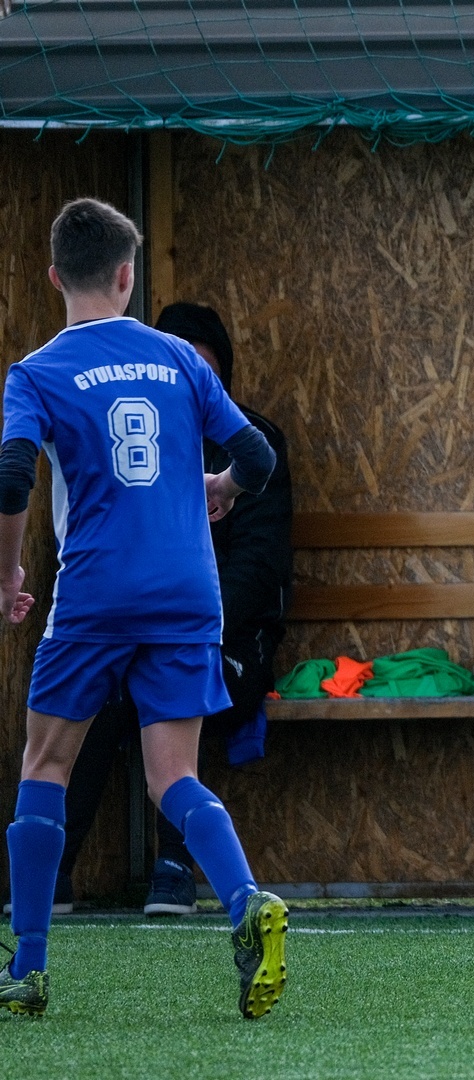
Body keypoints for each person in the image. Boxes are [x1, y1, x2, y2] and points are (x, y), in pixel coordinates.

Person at [0, 198, 289, 1019]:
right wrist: (223, 487)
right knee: (175, 778)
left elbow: (13, 474)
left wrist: (8, 570)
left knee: (45, 765)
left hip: (97, 592)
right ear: (127, 276)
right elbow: (257, 456)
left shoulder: (38, 371)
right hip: (188, 593)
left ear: (55, 276)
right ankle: (246, 903)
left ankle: (28, 966)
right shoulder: (179, 360)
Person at [41, 303, 293, 918]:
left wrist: (193, 625)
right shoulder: (114, 429)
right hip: (136, 626)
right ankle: (55, 875)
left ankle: (174, 868)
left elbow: (258, 568)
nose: (182, 377)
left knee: (173, 697)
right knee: (101, 693)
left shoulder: (246, 439)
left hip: (223, 636)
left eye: (201, 369)